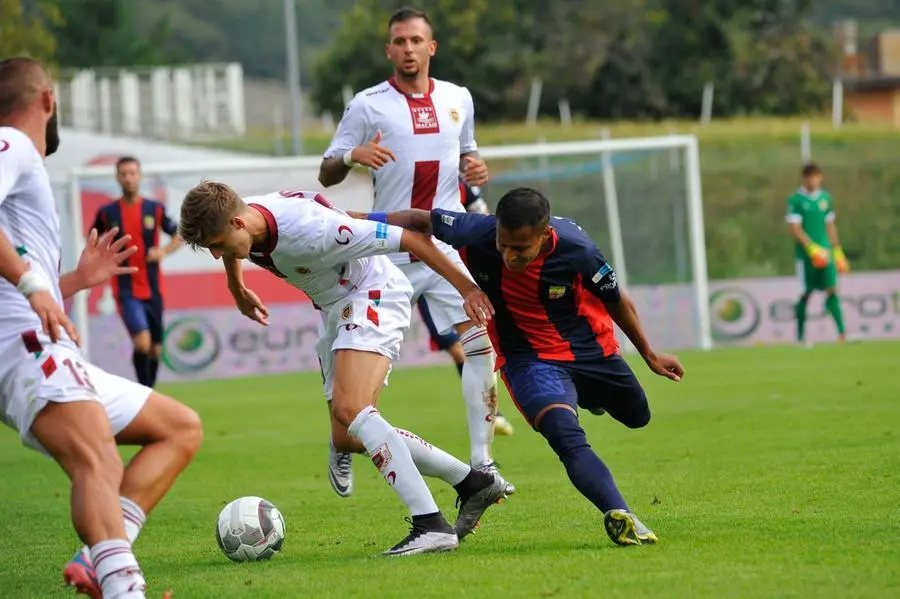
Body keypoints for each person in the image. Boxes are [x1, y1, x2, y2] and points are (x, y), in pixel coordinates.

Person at [177, 184, 508, 555]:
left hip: (371, 295)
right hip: (333, 307)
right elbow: (233, 236)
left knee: (352, 410)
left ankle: (430, 524)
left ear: (238, 222)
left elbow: (413, 240)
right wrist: (236, 287)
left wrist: (467, 288)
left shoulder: (315, 231)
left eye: (218, 245)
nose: (218, 253)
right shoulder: (245, 221)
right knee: (349, 436)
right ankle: (473, 483)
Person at [352, 187, 686, 546]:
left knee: (638, 416)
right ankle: (620, 514)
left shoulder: (579, 250)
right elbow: (419, 220)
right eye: (503, 245)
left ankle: (589, 396)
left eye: (520, 249)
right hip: (528, 361)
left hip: (590, 351)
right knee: (566, 437)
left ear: (545, 235)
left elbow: (616, 300)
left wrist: (649, 354)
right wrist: (353, 221)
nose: (509, 255)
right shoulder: (477, 230)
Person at [0, 56, 202, 599]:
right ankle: (123, 589)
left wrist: (67, 282)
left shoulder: (23, 166)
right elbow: (17, 286)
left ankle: (98, 558)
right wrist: (32, 286)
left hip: (32, 340)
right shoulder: (13, 145)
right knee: (99, 459)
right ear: (47, 101)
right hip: (24, 346)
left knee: (178, 428)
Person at [319, 7, 510, 499]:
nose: (407, 48)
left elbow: (467, 154)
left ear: (431, 48)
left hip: (444, 249)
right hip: (389, 252)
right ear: (389, 50)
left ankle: (482, 462)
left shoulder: (457, 99)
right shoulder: (367, 105)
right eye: (399, 41)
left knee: (481, 344)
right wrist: (350, 156)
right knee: (358, 376)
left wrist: (476, 168)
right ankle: (343, 437)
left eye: (416, 40)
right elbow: (326, 172)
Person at [416, 178, 514, 436]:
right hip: (409, 262)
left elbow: (482, 215)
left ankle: (490, 423)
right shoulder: (401, 169)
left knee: (474, 345)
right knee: (455, 348)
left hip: (450, 267)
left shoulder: (458, 181)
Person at [91, 157, 182, 387]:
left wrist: (163, 251)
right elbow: (92, 241)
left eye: (132, 173)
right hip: (125, 289)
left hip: (153, 289)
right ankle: (145, 396)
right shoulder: (107, 212)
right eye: (123, 173)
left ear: (139, 176)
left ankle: (148, 392)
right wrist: (101, 261)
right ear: (117, 177)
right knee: (142, 342)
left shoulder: (154, 209)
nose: (128, 178)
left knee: (155, 348)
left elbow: (178, 234)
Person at [785, 163, 849, 346]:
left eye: (815, 176)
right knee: (805, 294)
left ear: (820, 177)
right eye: (809, 177)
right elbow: (794, 228)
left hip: (826, 254)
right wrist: (811, 248)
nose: (812, 180)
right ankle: (800, 338)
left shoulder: (825, 199)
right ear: (803, 178)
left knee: (832, 290)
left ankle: (842, 334)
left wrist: (837, 251)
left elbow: (830, 225)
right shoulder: (795, 200)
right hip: (806, 257)